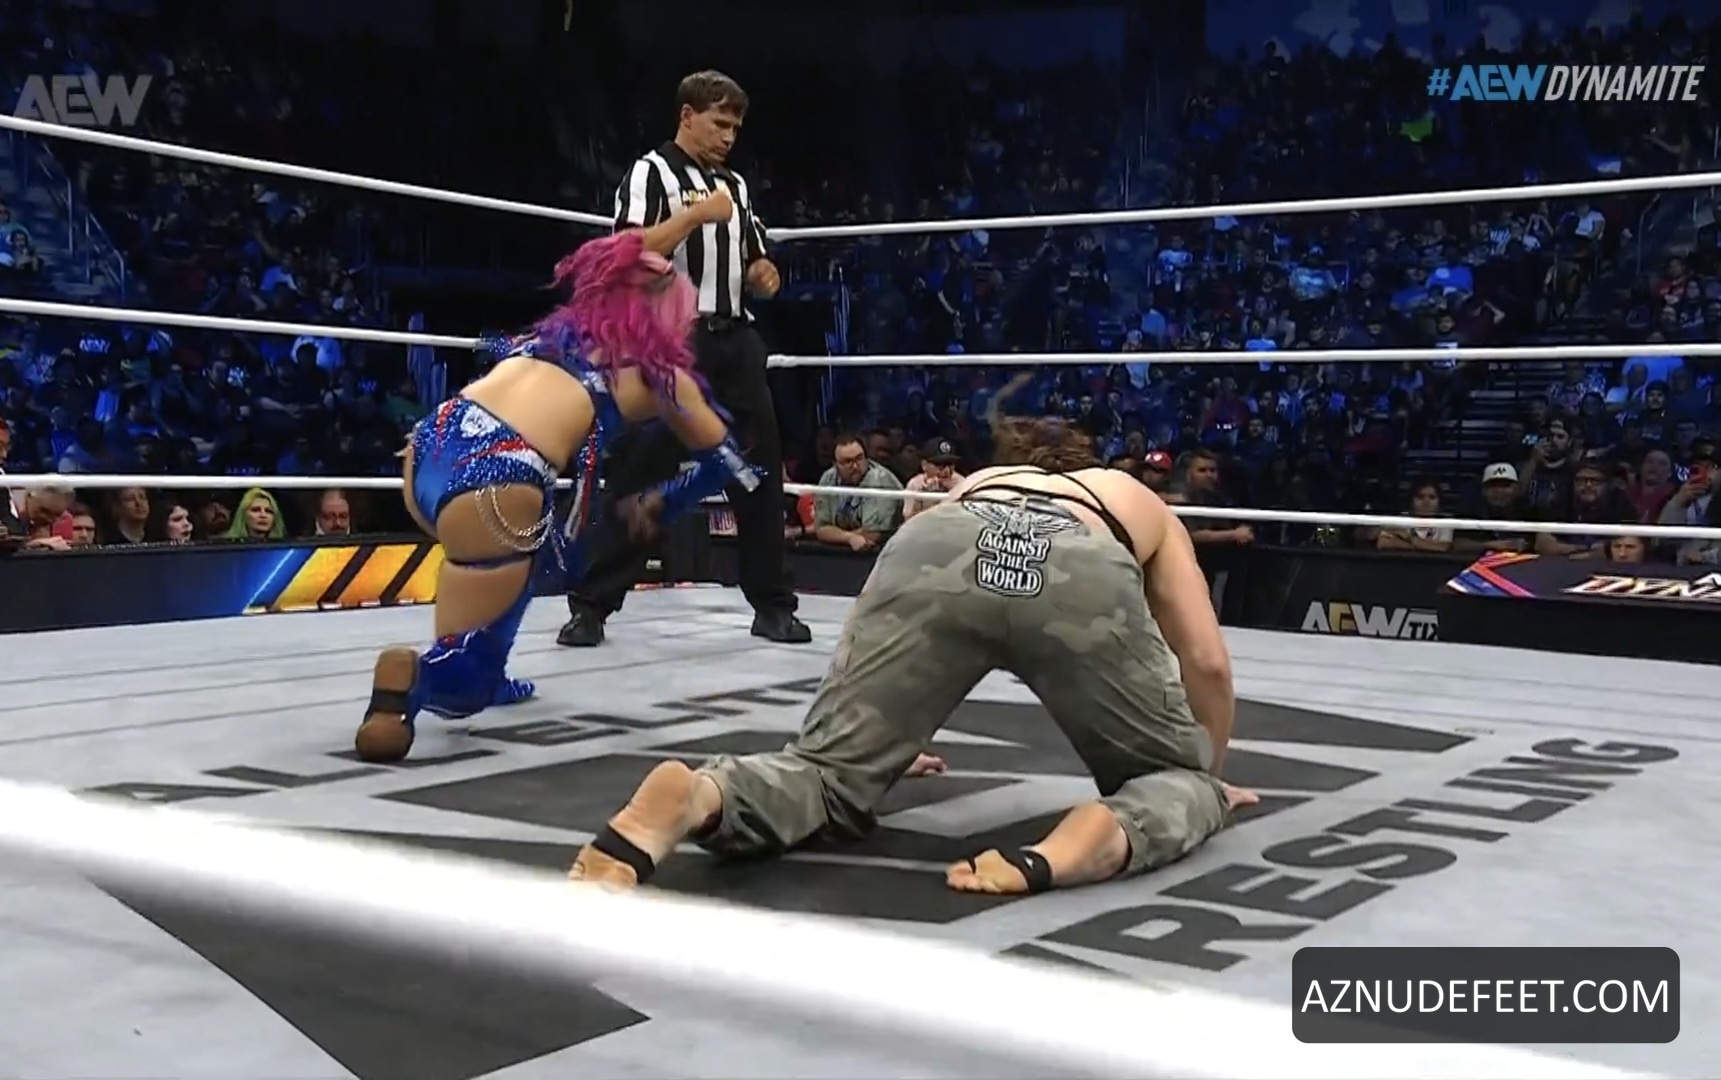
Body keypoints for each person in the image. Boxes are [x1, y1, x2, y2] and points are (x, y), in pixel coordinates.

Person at [570, 415, 1258, 895]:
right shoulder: (1130, 496)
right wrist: (1205, 772)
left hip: (940, 542)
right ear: (1087, 463)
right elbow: (1205, 659)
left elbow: (872, 624)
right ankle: (1070, 849)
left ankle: (702, 795)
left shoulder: (972, 483)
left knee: (824, 774)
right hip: (1079, 559)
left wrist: (883, 732)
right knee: (1176, 781)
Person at [354, 231, 762, 763]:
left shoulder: (545, 339)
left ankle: (487, 667)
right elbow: (733, 462)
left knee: (535, 552)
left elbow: (492, 347)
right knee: (465, 680)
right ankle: (420, 679)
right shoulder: (661, 376)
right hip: (498, 474)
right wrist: (665, 501)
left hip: (431, 444)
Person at [558, 70, 809, 649]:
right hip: (671, 341)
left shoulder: (735, 185)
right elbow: (626, 253)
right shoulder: (651, 172)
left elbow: (754, 257)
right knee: (641, 470)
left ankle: (772, 606)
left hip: (736, 342)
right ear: (687, 116)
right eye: (719, 124)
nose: (728, 137)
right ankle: (592, 606)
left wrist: (763, 273)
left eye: (736, 128)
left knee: (758, 471)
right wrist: (694, 216)